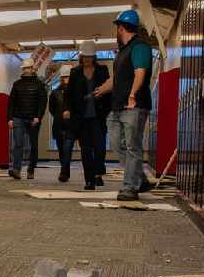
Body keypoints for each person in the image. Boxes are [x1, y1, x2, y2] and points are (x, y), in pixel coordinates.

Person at [94, 10, 153, 200]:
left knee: (132, 146)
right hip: (117, 106)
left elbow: (140, 72)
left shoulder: (140, 47)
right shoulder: (122, 52)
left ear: (121, 27)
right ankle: (140, 178)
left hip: (133, 106)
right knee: (116, 144)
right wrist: (101, 89)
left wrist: (133, 95)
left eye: (116, 28)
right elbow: (117, 78)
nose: (116, 32)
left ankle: (130, 188)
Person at [68, 40, 112, 190]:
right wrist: (68, 110)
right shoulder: (75, 73)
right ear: (81, 57)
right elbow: (69, 95)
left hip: (98, 116)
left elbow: (109, 92)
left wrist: (107, 110)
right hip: (82, 117)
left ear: (94, 57)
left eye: (90, 56)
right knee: (86, 149)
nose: (87, 59)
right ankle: (89, 180)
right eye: (85, 56)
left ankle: (98, 172)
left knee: (99, 147)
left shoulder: (102, 70)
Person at [7, 58, 47, 179]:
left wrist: (38, 117)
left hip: (33, 119)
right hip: (18, 117)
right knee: (18, 144)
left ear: (33, 69)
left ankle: (31, 169)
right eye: (24, 68)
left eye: (28, 68)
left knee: (33, 145)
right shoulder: (17, 84)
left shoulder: (39, 84)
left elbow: (43, 102)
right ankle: (16, 170)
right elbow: (11, 102)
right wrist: (9, 118)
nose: (26, 70)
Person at [48, 64, 74, 182]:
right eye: (65, 77)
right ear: (61, 78)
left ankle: (63, 172)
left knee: (68, 149)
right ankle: (65, 171)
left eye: (68, 77)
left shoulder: (76, 92)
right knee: (61, 151)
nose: (66, 79)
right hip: (58, 125)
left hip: (71, 126)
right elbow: (52, 109)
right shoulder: (55, 93)